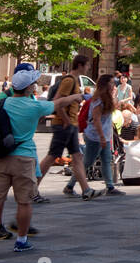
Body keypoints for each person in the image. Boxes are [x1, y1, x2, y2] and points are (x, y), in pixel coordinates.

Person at [0, 68, 83, 258]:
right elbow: (58, 102)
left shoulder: (1, 102)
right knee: (24, 202)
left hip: (0, 156)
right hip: (24, 158)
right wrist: (76, 96)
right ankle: (21, 241)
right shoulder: (34, 106)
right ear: (29, 88)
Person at [38, 55, 96, 200]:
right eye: (87, 65)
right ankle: (31, 188)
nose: (88, 68)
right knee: (52, 157)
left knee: (77, 157)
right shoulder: (69, 80)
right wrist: (65, 120)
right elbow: (57, 101)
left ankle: (86, 190)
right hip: (64, 124)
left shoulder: (74, 81)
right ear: (81, 65)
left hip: (70, 124)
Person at [63, 74, 123, 197]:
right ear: (105, 85)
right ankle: (69, 186)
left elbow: (114, 108)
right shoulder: (98, 100)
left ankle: (110, 186)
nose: (114, 85)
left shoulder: (106, 98)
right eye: (112, 83)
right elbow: (96, 120)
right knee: (87, 162)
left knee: (106, 160)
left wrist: (114, 95)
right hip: (95, 137)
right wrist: (101, 137)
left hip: (103, 136)